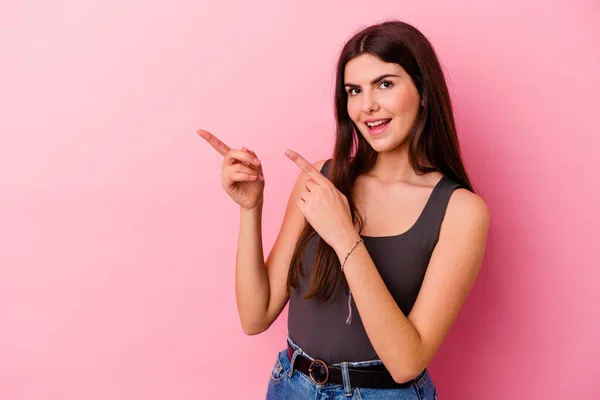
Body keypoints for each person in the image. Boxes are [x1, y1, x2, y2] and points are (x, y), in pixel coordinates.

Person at [197, 19, 489, 400]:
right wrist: (251, 208)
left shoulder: (461, 211)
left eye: (385, 83)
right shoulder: (320, 179)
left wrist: (344, 235)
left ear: (423, 91)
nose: (367, 105)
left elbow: (406, 363)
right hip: (292, 386)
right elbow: (256, 315)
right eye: (354, 90)